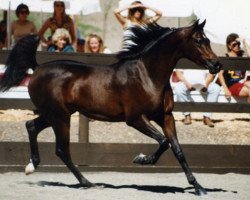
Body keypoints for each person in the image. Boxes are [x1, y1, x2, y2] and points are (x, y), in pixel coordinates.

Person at [218, 33, 250, 103]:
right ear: (229, 46)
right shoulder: (226, 58)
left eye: (238, 44)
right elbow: (220, 74)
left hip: (241, 82)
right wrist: (225, 89)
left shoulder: (241, 58)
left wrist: (244, 42)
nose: (237, 46)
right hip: (232, 84)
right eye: (234, 45)